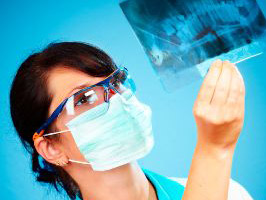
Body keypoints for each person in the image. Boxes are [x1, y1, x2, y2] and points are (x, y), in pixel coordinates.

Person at [10, 41, 252, 200]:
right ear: (51, 147)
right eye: (84, 98)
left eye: (115, 82)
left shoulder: (229, 192)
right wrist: (214, 150)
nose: (115, 99)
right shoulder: (213, 176)